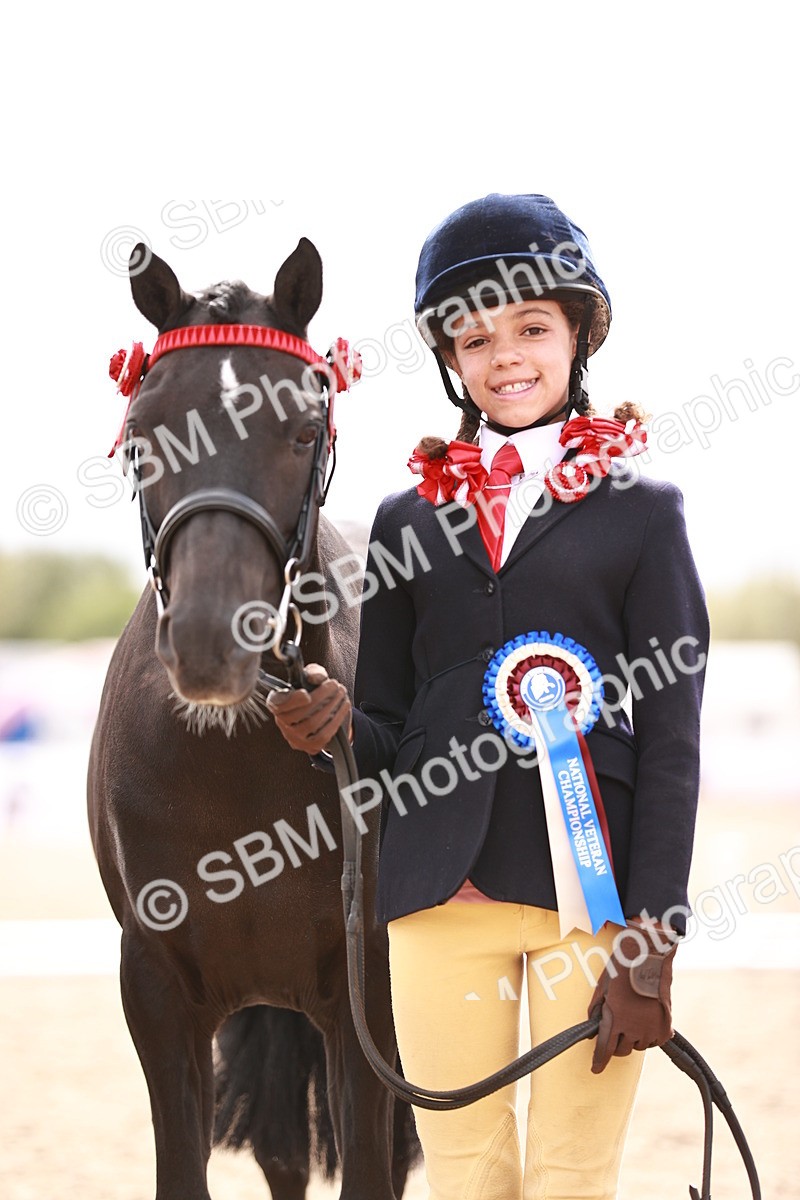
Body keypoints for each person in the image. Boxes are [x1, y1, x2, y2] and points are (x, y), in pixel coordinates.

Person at [267, 193, 709, 1200]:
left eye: (530, 328)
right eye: (474, 338)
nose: (504, 355)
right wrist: (333, 725)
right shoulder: (402, 516)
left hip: (588, 911)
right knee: (463, 1171)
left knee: (569, 1171)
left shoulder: (645, 516)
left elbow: (673, 743)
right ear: (449, 359)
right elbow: (383, 723)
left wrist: (648, 943)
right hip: (435, 898)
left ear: (575, 335)